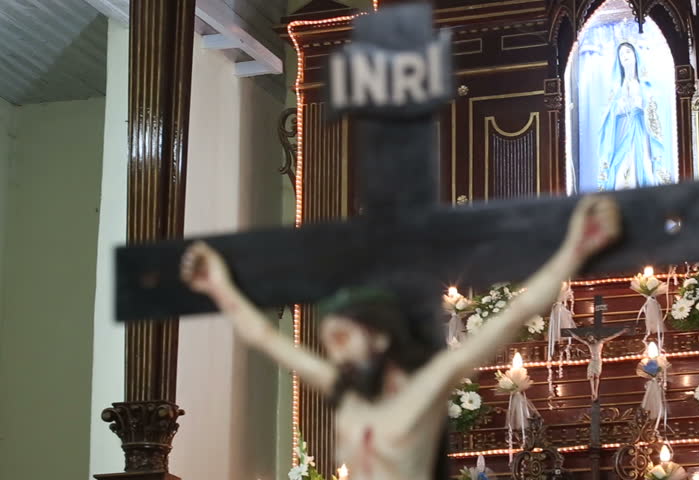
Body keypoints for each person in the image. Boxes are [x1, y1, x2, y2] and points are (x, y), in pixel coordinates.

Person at [179, 195, 621, 480]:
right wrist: (217, 285)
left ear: (379, 338)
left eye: (342, 339)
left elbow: (515, 315)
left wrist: (576, 248)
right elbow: (263, 339)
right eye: (329, 343)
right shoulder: (344, 391)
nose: (334, 354)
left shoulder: (425, 388)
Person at [597, 42, 668, 191]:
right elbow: (608, 115)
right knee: (621, 166)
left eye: (628, 52)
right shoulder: (616, 87)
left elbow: (653, 110)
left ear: (636, 55)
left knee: (642, 162)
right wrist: (619, 106)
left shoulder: (645, 85)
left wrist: (639, 106)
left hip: (640, 129)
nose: (625, 56)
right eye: (621, 54)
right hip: (621, 130)